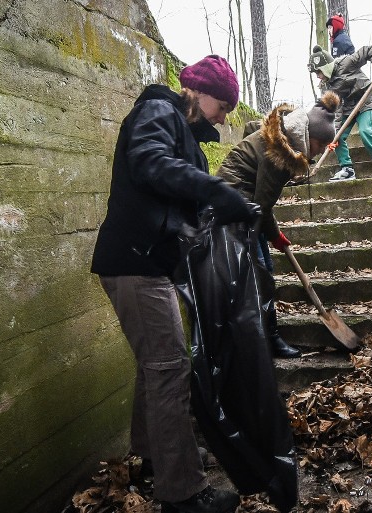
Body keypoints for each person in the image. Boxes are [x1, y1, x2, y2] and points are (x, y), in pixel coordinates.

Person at [90, 55, 253, 513]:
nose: (224, 117)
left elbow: (186, 206)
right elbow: (149, 163)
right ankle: (183, 494)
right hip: (135, 264)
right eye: (222, 106)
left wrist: (230, 210)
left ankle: (151, 458)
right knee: (169, 369)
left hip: (146, 264)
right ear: (199, 93)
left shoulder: (190, 142)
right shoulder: (157, 110)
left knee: (155, 367)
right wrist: (212, 188)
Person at [217, 92, 342, 358]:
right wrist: (268, 236)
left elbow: (262, 201)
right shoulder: (279, 155)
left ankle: (265, 337)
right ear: (310, 136)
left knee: (266, 268)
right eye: (320, 145)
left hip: (246, 203)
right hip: (233, 205)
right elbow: (261, 205)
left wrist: (275, 236)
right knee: (261, 274)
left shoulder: (283, 139)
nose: (319, 151)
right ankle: (267, 340)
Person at [307, 45, 372, 181]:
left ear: (326, 67)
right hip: (348, 109)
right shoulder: (327, 87)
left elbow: (368, 50)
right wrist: (335, 132)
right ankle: (347, 169)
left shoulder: (346, 62)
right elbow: (335, 111)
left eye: (318, 72)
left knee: (365, 131)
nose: (318, 76)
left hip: (365, 102)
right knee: (337, 137)